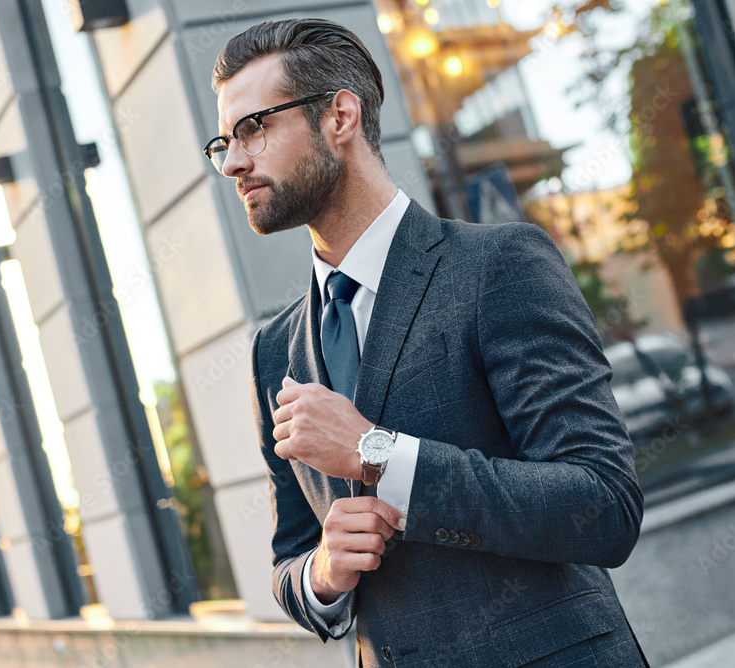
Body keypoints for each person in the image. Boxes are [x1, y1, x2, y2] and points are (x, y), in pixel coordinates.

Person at [205, 18, 649, 668]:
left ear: (341, 116)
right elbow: (290, 562)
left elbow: (602, 505)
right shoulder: (274, 351)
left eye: (254, 128)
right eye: (224, 141)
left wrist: (374, 455)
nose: (234, 161)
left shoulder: (497, 267)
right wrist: (322, 574)